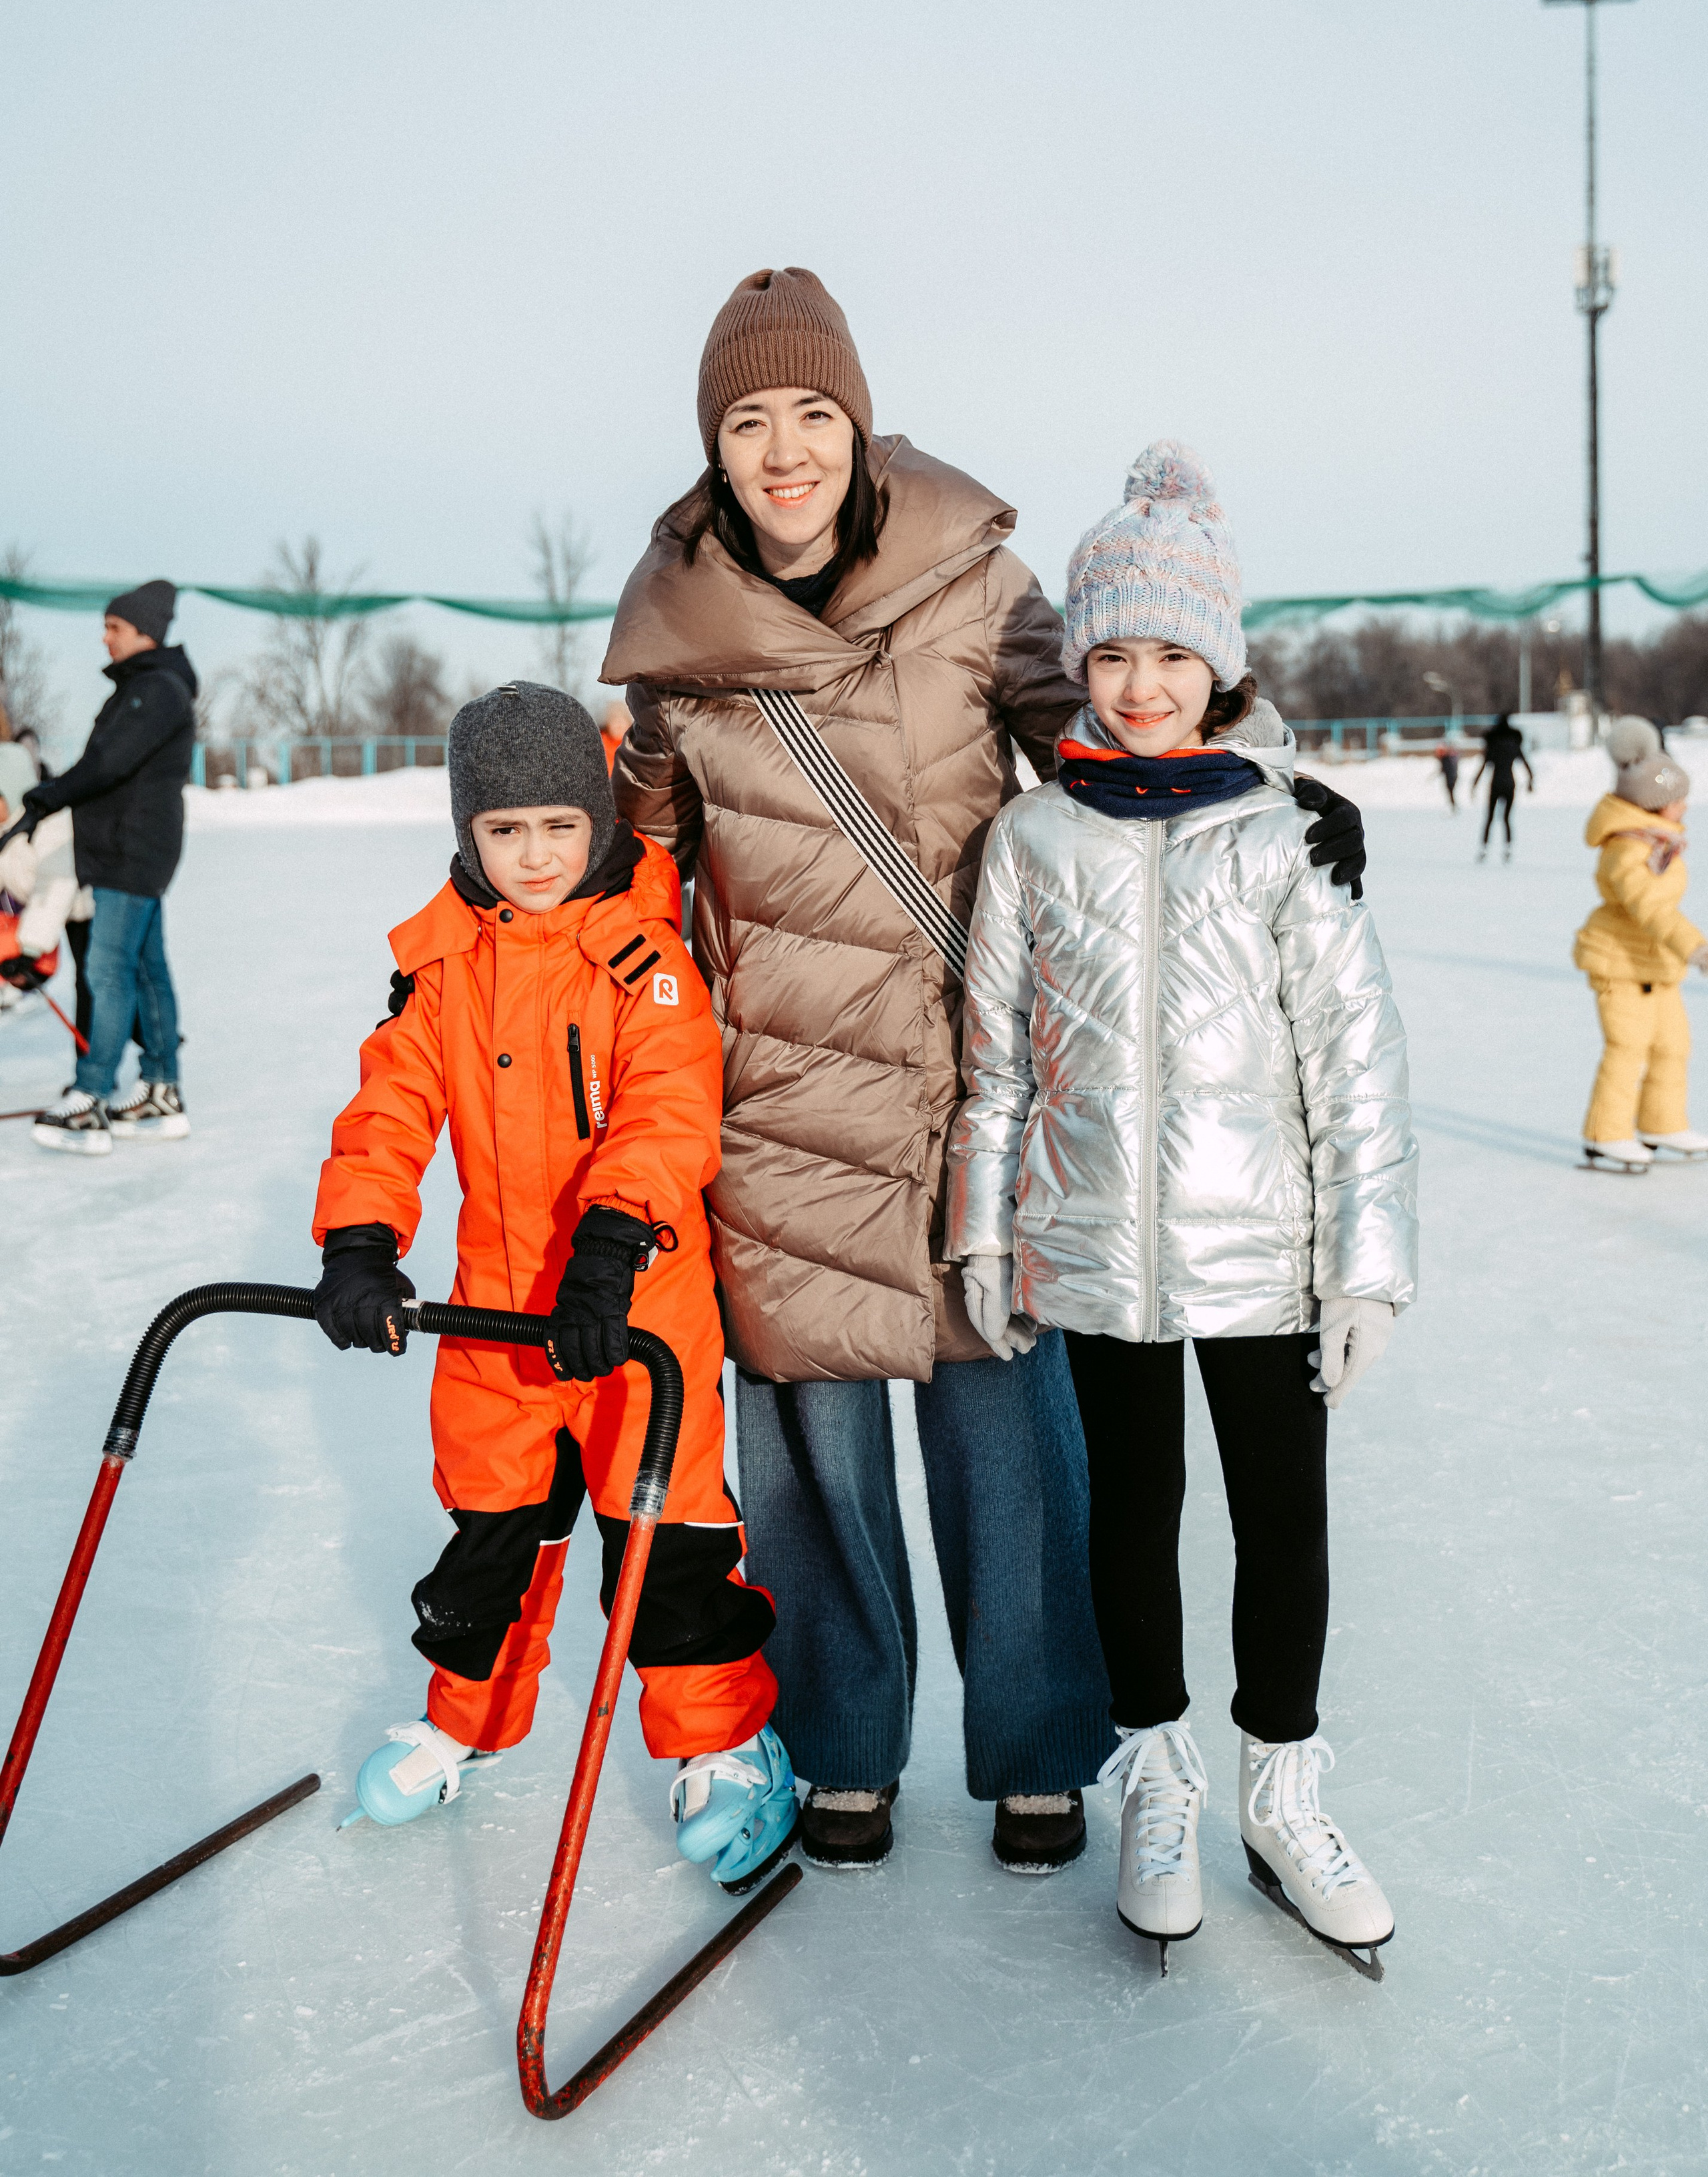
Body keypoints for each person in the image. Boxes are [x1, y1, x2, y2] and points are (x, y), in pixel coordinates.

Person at [602, 268, 1370, 1875]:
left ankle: (1037, 1742)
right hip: (780, 1096)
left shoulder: (971, 579)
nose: (785, 448)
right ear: (714, 447)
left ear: (858, 422)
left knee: (1007, 1430)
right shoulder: (676, 641)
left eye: (813, 412)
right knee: (809, 1451)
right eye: (748, 421)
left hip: (972, 1072)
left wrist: (1277, 786)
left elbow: (1126, 728)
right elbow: (637, 872)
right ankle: (841, 1745)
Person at [949, 442, 1417, 1976]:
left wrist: (1362, 1269)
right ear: (1080, 661)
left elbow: (1355, 1066)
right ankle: (1154, 1773)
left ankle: (1283, 1789)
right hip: (1093, 1256)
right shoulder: (1028, 842)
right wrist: (977, 1233)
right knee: (1127, 1523)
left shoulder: (1281, 836)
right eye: (1114, 651)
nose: (1141, 682)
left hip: (1264, 1260)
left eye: (1171, 653)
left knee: (1282, 1525)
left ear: (1217, 667)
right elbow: (992, 1066)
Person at [311, 681, 796, 1889]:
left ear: (596, 823)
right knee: (493, 1539)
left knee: (666, 1539)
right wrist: (361, 1240)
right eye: (504, 832)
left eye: (558, 828)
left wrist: (611, 1245)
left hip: (636, 1306)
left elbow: (667, 1114)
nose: (534, 856)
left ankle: (726, 1745)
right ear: (470, 836)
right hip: (496, 1317)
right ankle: (463, 1726)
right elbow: (389, 1108)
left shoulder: (648, 962)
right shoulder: (444, 967)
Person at [19, 581, 195, 1152]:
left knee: (108, 969)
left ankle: (92, 1098)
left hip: (132, 848)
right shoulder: (147, 688)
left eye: (114, 627)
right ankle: (161, 1088)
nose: (105, 636)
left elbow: (107, 761)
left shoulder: (157, 689)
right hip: (130, 845)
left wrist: (48, 794)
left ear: (144, 631)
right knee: (144, 967)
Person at [1574, 718, 1708, 1173]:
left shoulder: (1655, 840)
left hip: (1655, 965)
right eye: (1678, 798)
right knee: (1627, 1047)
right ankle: (1605, 1134)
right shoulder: (1627, 851)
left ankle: (1662, 1122)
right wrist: (1698, 949)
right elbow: (1652, 909)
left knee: (1673, 1046)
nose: (1685, 804)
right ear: (1653, 803)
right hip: (1620, 963)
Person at [0, 741, 85, 1020]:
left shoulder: (48, 821)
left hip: (81, 912)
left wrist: (30, 950)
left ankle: (151, 1040)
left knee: (97, 983)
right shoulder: (7, 828)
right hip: (33, 919)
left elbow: (55, 888)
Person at [1472, 713, 1533, 861]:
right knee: (1507, 818)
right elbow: (1526, 764)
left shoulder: (1493, 747)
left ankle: (1484, 849)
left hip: (1496, 784)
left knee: (1490, 818)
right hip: (1510, 784)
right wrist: (1531, 781)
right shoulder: (1513, 746)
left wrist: (1474, 783)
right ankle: (1508, 849)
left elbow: (1483, 766)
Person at [1434, 739, 1459, 810]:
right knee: (1450, 791)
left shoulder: (1446, 759)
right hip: (1452, 776)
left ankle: (1453, 805)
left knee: (1450, 791)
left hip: (1451, 777)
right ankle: (1453, 805)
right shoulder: (1448, 758)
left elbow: (1447, 768)